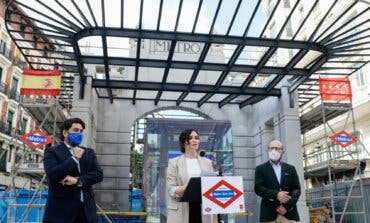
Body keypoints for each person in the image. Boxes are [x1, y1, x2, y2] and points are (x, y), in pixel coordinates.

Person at [43, 118, 103, 223]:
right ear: (65, 133)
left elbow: (98, 174)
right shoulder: (52, 151)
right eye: (75, 130)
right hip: (61, 213)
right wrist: (74, 159)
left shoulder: (88, 152)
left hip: (86, 212)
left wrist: (78, 180)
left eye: (81, 131)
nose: (79, 133)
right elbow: (53, 173)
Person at [166, 129, 217, 223]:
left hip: (203, 208)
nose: (195, 140)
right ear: (184, 142)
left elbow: (212, 185)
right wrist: (188, 187)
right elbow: (171, 189)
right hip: (182, 208)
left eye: (196, 138)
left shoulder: (208, 162)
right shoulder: (174, 162)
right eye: (191, 138)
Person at [254, 140, 301, 223]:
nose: (274, 151)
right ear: (267, 151)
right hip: (268, 214)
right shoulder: (260, 169)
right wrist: (276, 194)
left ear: (283, 151)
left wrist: (287, 206)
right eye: (271, 148)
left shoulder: (291, 169)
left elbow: (296, 189)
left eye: (277, 148)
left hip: (288, 214)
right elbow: (258, 188)